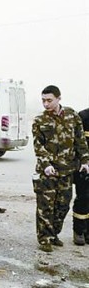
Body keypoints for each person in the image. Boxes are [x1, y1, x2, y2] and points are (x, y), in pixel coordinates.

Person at [32, 85, 89, 252]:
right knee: (45, 207)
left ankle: (54, 234)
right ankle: (45, 239)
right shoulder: (39, 120)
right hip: (47, 172)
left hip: (67, 171)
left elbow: (80, 141)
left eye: (49, 100)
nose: (46, 104)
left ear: (58, 98)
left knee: (63, 206)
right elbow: (38, 146)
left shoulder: (72, 116)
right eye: (43, 101)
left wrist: (85, 161)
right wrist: (46, 164)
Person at [72, 107, 89, 245]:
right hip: (84, 167)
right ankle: (79, 231)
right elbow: (75, 143)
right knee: (83, 198)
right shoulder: (83, 116)